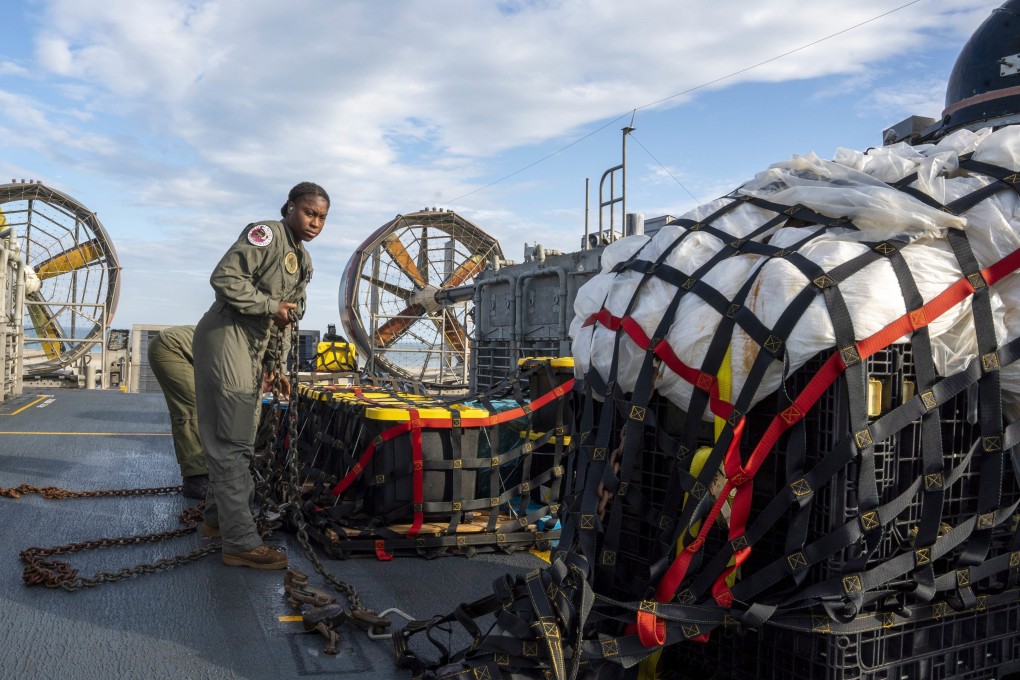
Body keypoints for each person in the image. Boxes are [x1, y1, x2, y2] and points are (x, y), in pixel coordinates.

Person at [193, 181, 328, 570]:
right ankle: (239, 542)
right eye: (309, 213)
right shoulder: (266, 235)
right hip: (227, 334)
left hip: (253, 346)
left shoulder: (303, 261)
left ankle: (218, 522)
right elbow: (225, 279)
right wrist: (270, 305)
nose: (315, 222)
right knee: (232, 441)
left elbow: (283, 320)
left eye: (321, 217)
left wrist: (275, 366)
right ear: (290, 208)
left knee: (241, 437)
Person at [147, 325, 208, 499]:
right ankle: (196, 479)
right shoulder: (245, 358)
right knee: (192, 410)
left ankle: (205, 469)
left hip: (183, 350)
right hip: (170, 348)